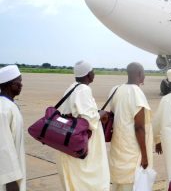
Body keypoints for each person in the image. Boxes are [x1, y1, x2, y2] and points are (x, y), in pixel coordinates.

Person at [56, 61, 110, 191]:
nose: (94, 73)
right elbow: (87, 119)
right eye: (93, 71)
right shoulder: (83, 90)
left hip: (69, 144)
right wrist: (101, 114)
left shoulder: (72, 87)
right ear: (88, 74)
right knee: (88, 182)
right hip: (82, 147)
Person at [108, 62, 153, 191]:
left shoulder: (115, 89)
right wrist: (145, 156)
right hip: (132, 151)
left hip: (118, 148)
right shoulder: (136, 93)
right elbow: (139, 127)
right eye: (144, 73)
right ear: (140, 74)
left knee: (118, 185)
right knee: (131, 184)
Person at [0, 65, 26, 191]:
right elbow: (3, 148)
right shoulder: (3, 109)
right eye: (18, 82)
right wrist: (11, 182)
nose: (21, 85)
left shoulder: (10, 105)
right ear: (8, 85)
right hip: (7, 179)